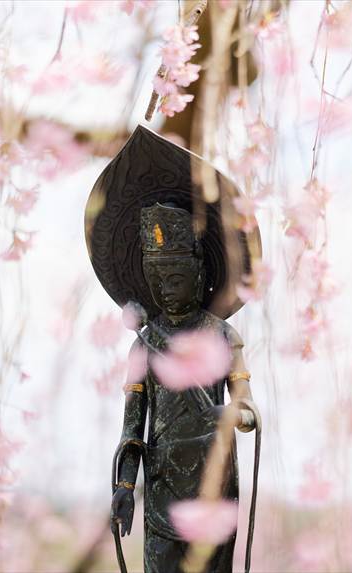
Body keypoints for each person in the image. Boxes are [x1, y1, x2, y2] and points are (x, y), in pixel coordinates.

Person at [110, 203, 257, 572]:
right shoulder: (144, 344)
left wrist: (232, 414)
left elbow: (249, 411)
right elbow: (132, 429)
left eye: (175, 279)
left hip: (214, 480)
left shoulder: (222, 335)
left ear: (199, 275)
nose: (166, 290)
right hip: (162, 483)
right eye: (157, 281)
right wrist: (125, 486)